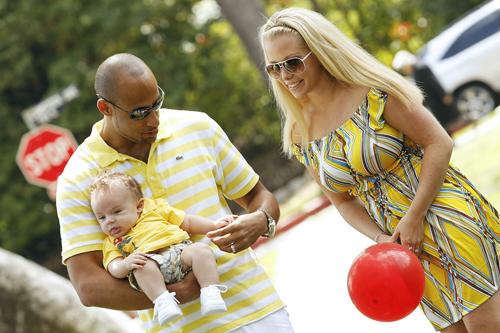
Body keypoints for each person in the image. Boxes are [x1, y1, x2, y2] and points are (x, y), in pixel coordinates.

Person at [259, 7, 499, 333]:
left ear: (321, 52)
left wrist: (414, 216)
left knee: (486, 326)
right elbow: (342, 202)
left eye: (293, 62)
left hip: (446, 215)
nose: (285, 75)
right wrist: (382, 239)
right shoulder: (299, 132)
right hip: (404, 250)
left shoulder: (373, 91)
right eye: (274, 68)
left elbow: (438, 142)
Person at [56, 53, 295, 332]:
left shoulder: (197, 127)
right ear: (105, 108)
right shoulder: (77, 178)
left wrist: (261, 220)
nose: (153, 119)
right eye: (139, 113)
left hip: (258, 312)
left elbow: (259, 197)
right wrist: (175, 295)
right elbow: (88, 286)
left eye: (156, 103)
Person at [89, 171, 236, 325]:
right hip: (151, 267)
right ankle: (163, 302)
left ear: (139, 206)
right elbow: (113, 265)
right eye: (102, 217)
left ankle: (210, 291)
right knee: (140, 268)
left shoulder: (155, 209)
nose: (110, 221)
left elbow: (187, 222)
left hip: (180, 252)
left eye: (117, 211)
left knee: (202, 250)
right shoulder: (112, 241)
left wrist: (213, 226)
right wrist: (125, 265)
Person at [392, 50, 464, 133]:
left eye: (404, 67)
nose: (404, 70)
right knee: (442, 123)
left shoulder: (421, 68)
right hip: (431, 102)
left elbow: (434, 82)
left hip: (437, 97)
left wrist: (443, 95)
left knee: (449, 119)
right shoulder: (414, 73)